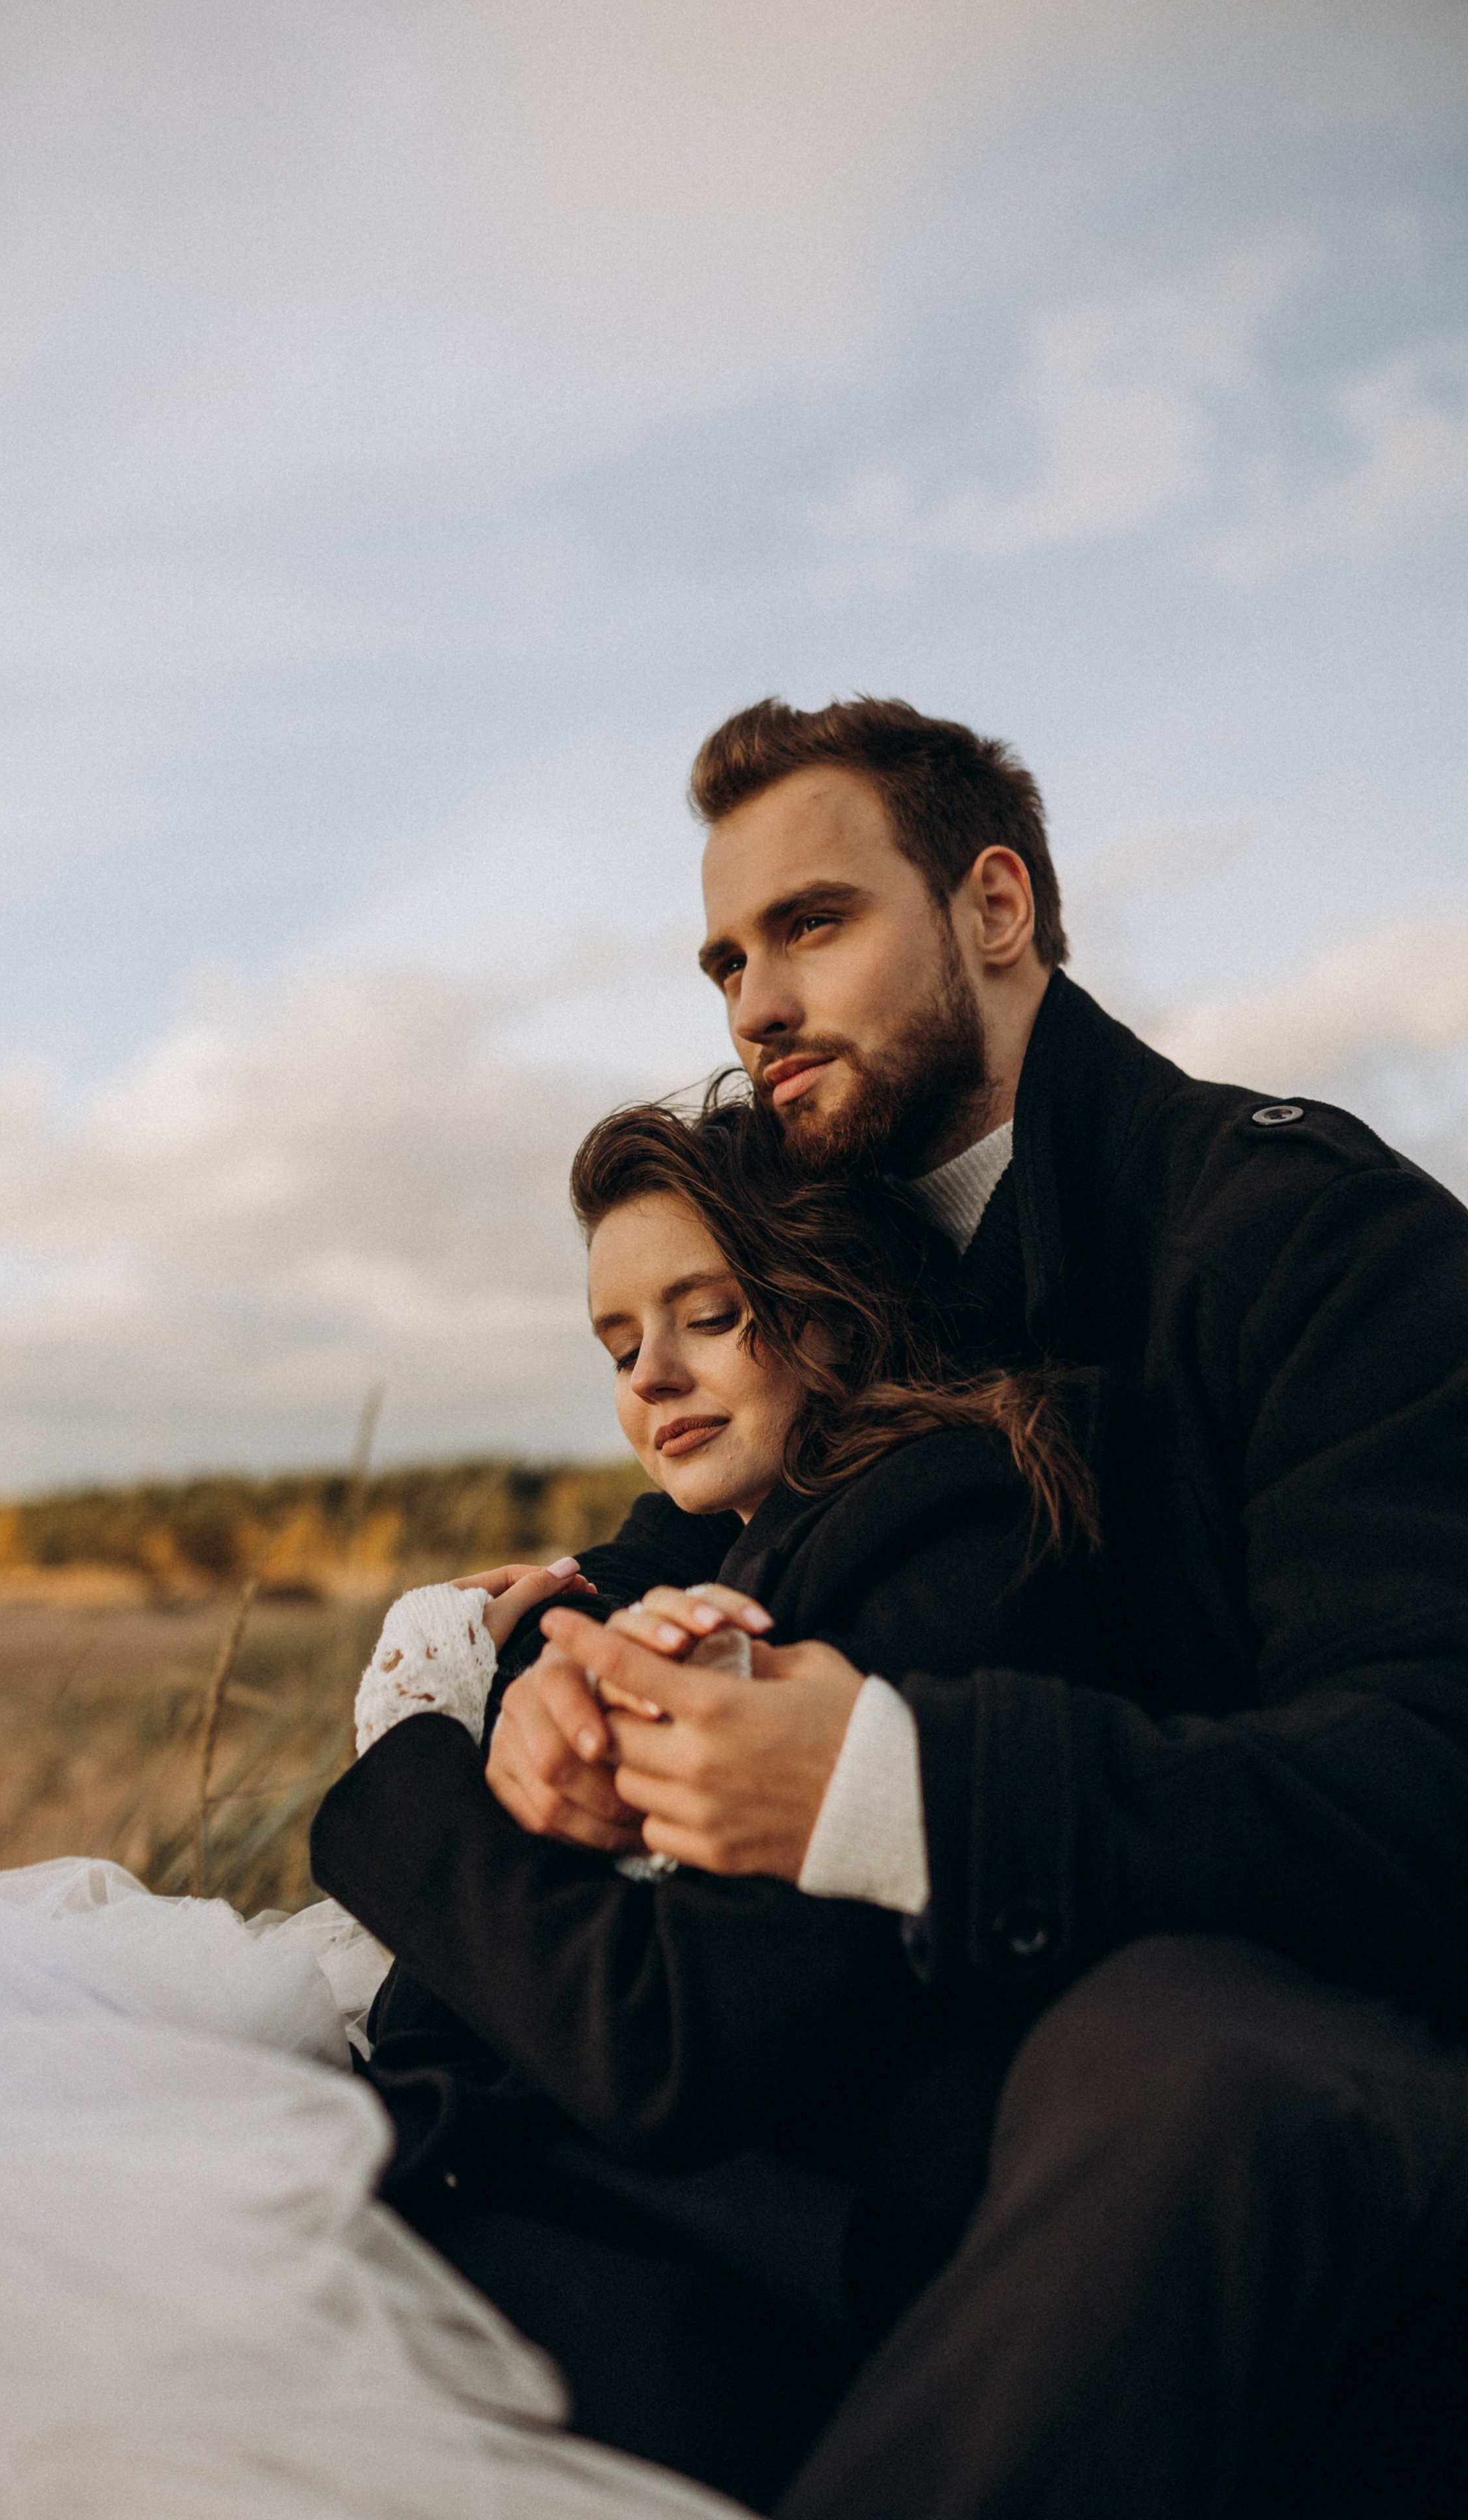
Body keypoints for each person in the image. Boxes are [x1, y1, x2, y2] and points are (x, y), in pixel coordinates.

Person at [451, 698, 1468, 2517]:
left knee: (1194, 2062)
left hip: (1317, 2031)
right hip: (955, 2024)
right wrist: (551, 1652)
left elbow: (1430, 1776)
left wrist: (902, 1791)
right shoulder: (857, 1271)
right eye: (725, 959)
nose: (754, 1004)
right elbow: (667, 1537)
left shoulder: (1313, 1239)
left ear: (995, 910)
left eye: (814, 925)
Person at [312, 1091, 1106, 2510]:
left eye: (707, 1315)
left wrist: (410, 1748)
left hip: (723, 2288)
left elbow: (661, 2039)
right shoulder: (734, 1542)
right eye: (619, 1345)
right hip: (566, 2201)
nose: (651, 1380)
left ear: (826, 1304)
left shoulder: (949, 1534)